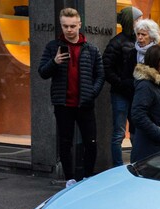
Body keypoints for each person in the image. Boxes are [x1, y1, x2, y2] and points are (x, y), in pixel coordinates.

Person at [38, 7, 104, 181]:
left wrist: (92, 93)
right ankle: (69, 179)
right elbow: (42, 72)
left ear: (79, 25)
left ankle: (88, 178)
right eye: (65, 26)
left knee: (91, 143)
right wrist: (54, 62)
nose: (69, 30)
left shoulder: (91, 49)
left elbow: (100, 74)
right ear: (61, 25)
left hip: (85, 104)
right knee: (65, 143)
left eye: (72, 26)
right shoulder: (53, 47)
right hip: (63, 104)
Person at [102, 6, 142, 167]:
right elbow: (106, 68)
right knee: (119, 134)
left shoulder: (139, 41)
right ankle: (118, 167)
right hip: (120, 94)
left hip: (134, 93)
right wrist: (121, 83)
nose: (141, 22)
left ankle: (136, 165)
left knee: (135, 133)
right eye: (138, 19)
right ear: (129, 21)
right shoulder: (116, 43)